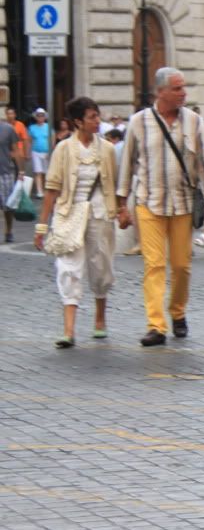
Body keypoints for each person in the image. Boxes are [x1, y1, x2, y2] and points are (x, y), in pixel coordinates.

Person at [116, 67, 204, 347]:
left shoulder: (195, 122)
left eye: (183, 87)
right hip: (148, 202)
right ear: (160, 92)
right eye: (177, 88)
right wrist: (121, 204)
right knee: (154, 264)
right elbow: (127, 163)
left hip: (183, 204)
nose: (183, 93)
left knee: (181, 266)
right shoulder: (139, 122)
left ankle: (178, 312)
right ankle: (156, 325)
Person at [33, 96, 119, 348]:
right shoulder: (63, 149)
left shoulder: (107, 150)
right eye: (92, 117)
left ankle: (100, 319)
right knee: (69, 267)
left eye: (97, 116)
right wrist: (41, 226)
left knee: (101, 265)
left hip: (100, 214)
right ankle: (68, 330)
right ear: (78, 121)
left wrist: (122, 211)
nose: (97, 121)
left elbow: (113, 185)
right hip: (69, 215)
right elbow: (51, 189)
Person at [0, 117, 22, 243]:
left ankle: (8, 231)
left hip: (6, 172)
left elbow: (16, 150)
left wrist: (21, 171)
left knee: (8, 206)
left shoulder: (8, 129)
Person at [29, 108, 51, 198]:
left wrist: (50, 151)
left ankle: (47, 190)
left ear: (44, 117)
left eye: (42, 115)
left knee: (46, 172)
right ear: (36, 117)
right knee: (38, 172)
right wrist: (28, 152)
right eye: (38, 115)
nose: (40, 117)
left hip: (46, 152)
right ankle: (39, 191)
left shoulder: (48, 127)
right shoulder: (32, 127)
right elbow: (29, 140)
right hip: (35, 151)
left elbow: (51, 139)